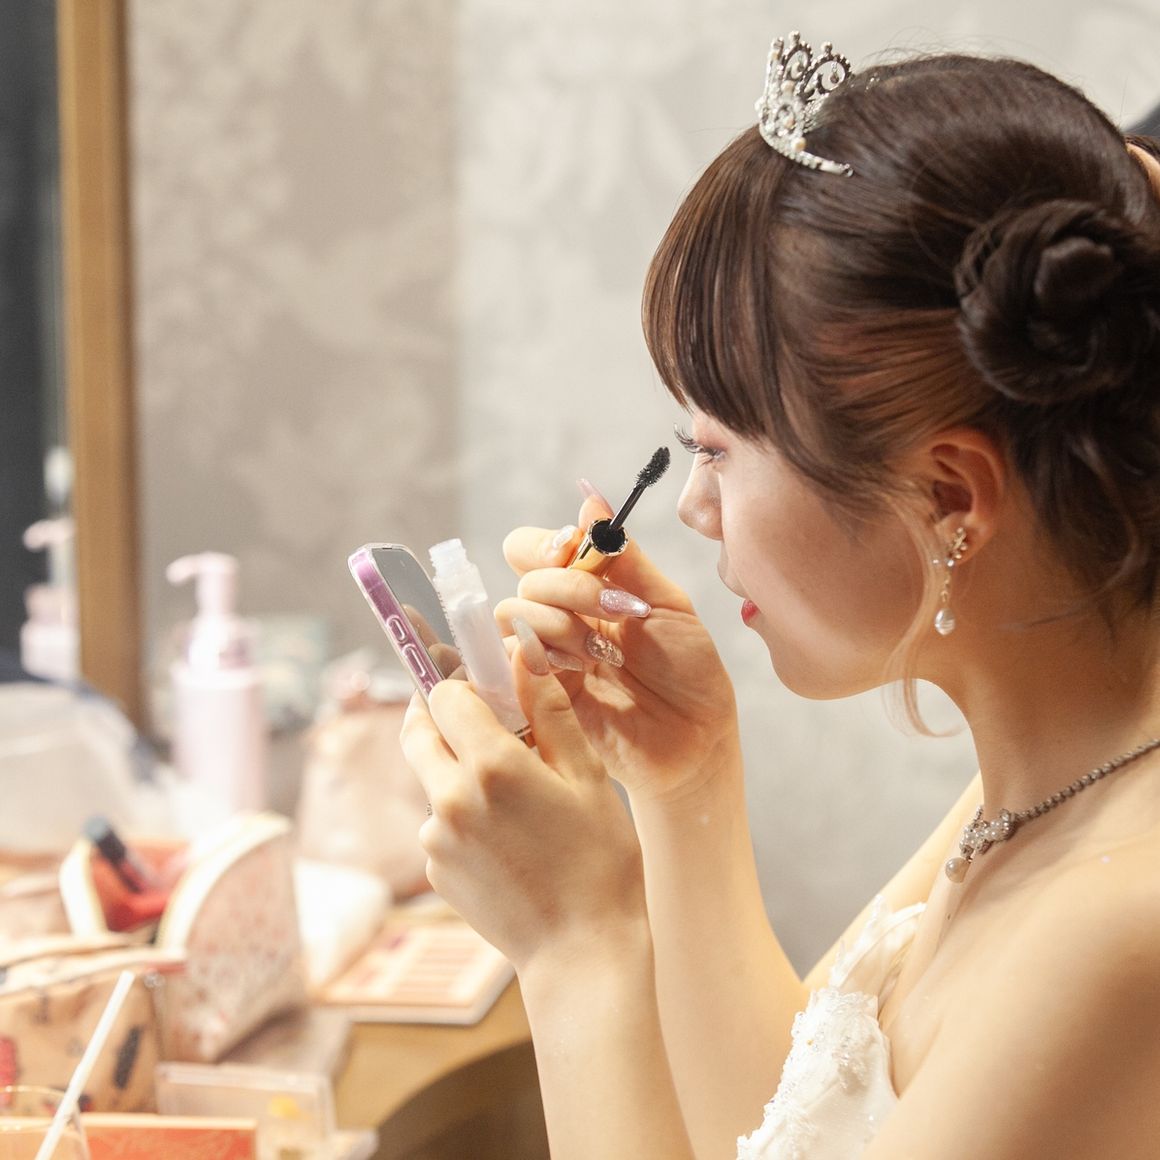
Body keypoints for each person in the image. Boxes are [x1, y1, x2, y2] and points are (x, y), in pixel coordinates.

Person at [401, 31, 1160, 1160]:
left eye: (716, 450)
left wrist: (575, 946)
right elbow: (780, 1126)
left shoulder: (1114, 933)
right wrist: (684, 778)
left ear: (948, 495)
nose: (695, 508)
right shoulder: (1048, 783)